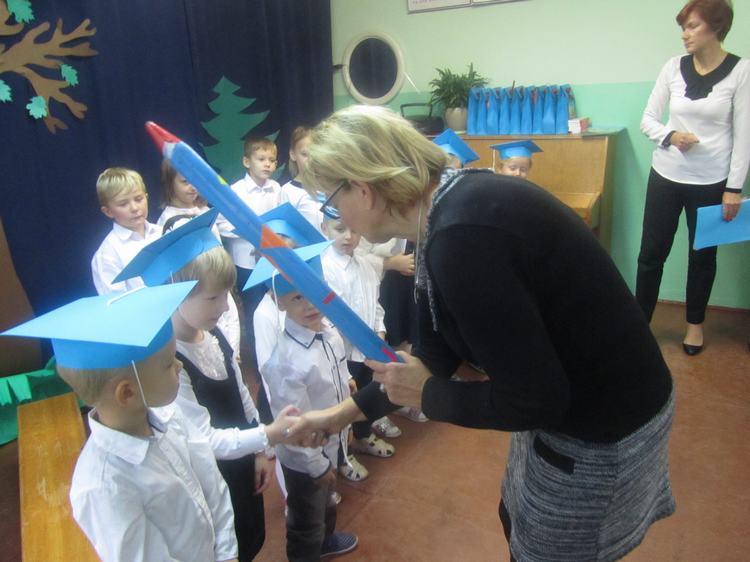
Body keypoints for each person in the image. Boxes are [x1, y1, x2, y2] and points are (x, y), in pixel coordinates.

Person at [292, 105, 676, 562]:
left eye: (332, 200)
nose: (334, 213)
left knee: (549, 552)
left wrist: (429, 395)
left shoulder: (463, 237)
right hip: (561, 403)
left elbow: (535, 400)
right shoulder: (442, 208)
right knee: (516, 517)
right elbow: (433, 354)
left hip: (602, 423)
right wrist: (338, 417)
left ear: (363, 189)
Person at [1, 282, 240, 562]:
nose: (180, 366)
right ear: (127, 393)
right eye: (168, 363)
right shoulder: (104, 487)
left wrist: (227, 554)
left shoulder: (171, 416)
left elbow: (213, 484)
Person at [114, 210, 299, 561]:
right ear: (174, 294)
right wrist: (268, 435)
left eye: (227, 295)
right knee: (224, 543)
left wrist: (258, 450)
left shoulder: (212, 335)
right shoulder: (168, 365)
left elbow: (242, 393)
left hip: (241, 459)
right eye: (213, 298)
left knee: (248, 535)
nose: (225, 307)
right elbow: (205, 441)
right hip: (210, 476)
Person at [637, 0, 748, 356]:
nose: (684, 35)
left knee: (702, 257)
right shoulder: (673, 67)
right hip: (665, 176)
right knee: (651, 254)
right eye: (683, 27)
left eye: (692, 26)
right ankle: (640, 324)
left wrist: (733, 188)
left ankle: (694, 326)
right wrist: (671, 136)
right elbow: (647, 119)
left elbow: (744, 135)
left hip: (712, 182)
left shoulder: (741, 71)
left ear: (716, 27)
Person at [248, 244, 359, 561]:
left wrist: (347, 388)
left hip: (330, 437)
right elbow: (295, 429)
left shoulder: (329, 333)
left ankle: (326, 541)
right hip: (304, 457)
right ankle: (307, 552)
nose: (310, 303)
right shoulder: (286, 362)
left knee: (327, 503)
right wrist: (316, 465)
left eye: (314, 291)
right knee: (306, 519)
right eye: (297, 297)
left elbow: (339, 369)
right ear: (279, 301)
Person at [321, 215, 396, 481]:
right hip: (340, 354)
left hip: (366, 351)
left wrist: (379, 334)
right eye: (339, 229)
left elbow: (376, 305)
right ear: (324, 228)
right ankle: (342, 454)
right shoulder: (323, 269)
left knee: (364, 396)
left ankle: (363, 435)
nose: (348, 237)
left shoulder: (366, 265)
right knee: (343, 402)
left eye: (354, 230)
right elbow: (326, 317)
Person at [90, 167, 161, 294]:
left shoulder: (162, 232)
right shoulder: (108, 253)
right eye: (123, 204)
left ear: (146, 197)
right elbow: (116, 301)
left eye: (138, 199)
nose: (134, 208)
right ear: (108, 211)